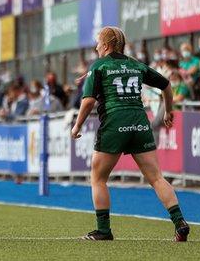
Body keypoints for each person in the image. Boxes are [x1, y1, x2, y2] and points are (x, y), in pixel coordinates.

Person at [71, 26, 189, 242]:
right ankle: (180, 222)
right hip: (139, 123)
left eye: (98, 43)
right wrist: (169, 110)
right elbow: (166, 84)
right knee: (156, 177)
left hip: (115, 124)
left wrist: (77, 125)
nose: (96, 46)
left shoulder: (99, 66)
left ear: (105, 45)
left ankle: (103, 230)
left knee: (98, 178)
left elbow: (88, 101)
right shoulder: (134, 64)